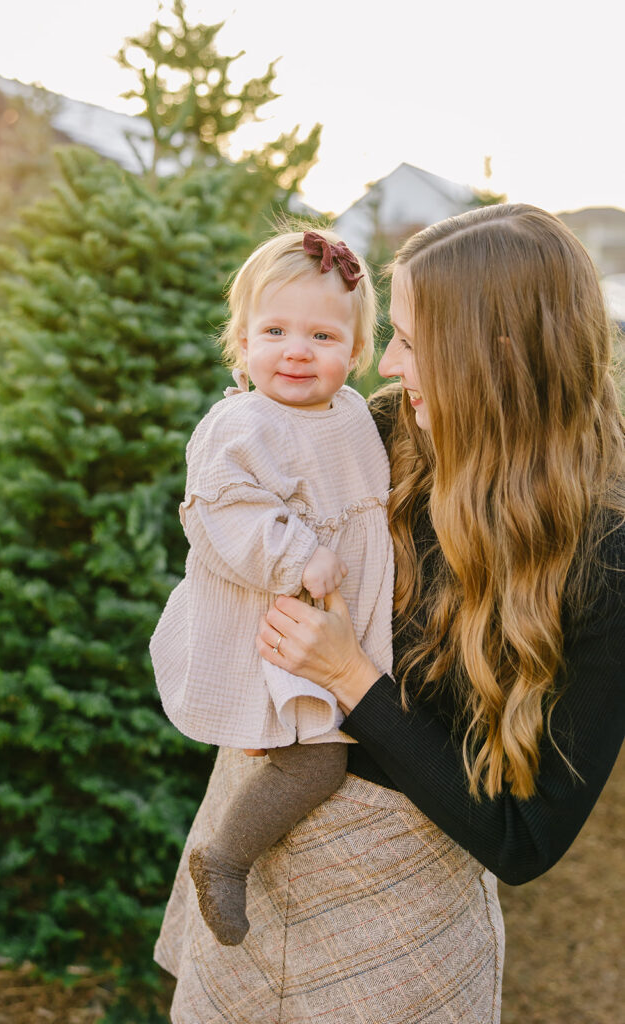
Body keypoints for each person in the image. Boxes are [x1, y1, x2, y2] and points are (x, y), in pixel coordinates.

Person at [155, 204, 624, 1023]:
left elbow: (525, 839)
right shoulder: (372, 438)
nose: (387, 365)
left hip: (395, 930)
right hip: (254, 860)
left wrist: (349, 677)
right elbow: (231, 504)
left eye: (409, 340)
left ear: (497, 354)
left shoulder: (601, 553)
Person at [150, 229, 394, 947]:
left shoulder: (351, 411)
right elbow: (221, 509)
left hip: (340, 613)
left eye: (321, 335)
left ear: (354, 351)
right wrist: (295, 554)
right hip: (278, 616)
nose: (296, 350)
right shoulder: (242, 423)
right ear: (242, 341)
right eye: (275, 330)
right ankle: (223, 858)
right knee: (318, 756)